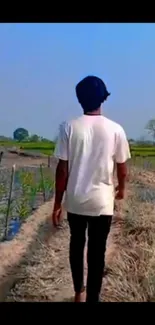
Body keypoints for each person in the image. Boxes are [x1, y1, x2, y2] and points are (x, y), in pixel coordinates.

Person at [51, 75, 131, 302]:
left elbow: (62, 170)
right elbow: (122, 168)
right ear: (103, 98)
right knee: (97, 253)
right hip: (102, 203)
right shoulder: (116, 129)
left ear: (79, 99)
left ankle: (78, 292)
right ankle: (93, 298)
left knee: (76, 245)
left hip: (76, 200)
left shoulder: (68, 127)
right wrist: (122, 190)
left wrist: (57, 203)